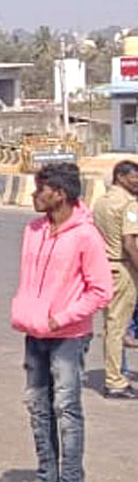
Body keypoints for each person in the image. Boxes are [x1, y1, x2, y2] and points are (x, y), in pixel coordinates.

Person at [4, 163, 108, 482]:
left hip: (68, 335)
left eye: (41, 189)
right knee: (37, 405)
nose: (34, 195)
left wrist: (60, 317)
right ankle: (47, 478)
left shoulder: (86, 235)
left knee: (66, 407)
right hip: (34, 332)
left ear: (60, 194)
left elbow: (100, 291)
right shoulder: (33, 230)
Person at [93, 161, 138, 399]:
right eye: (134, 178)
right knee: (117, 327)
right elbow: (129, 242)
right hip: (123, 266)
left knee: (112, 325)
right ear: (121, 177)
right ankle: (115, 380)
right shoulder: (128, 203)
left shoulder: (101, 201)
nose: (137, 182)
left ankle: (117, 373)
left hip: (106, 267)